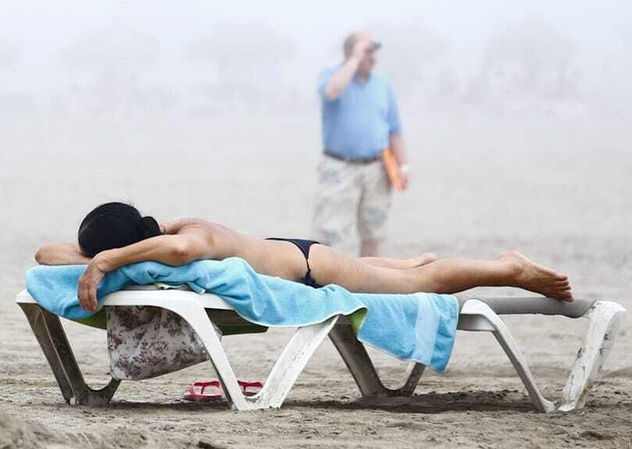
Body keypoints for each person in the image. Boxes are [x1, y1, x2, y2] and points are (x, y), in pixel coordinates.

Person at [34, 202, 572, 313]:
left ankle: (511, 270)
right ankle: (411, 260)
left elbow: (181, 250)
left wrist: (104, 264)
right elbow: (46, 251)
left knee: (424, 286)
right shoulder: (145, 239)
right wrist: (99, 254)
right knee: (402, 270)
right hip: (294, 254)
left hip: (312, 268)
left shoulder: (189, 232)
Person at [314, 31, 409, 257]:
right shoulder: (330, 76)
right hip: (339, 168)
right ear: (350, 52)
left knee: (373, 234)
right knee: (330, 234)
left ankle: (367, 285)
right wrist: (354, 59)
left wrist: (403, 166)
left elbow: (394, 129)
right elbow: (332, 92)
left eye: (374, 52)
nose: (373, 57)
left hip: (377, 168)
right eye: (367, 51)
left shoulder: (383, 86)